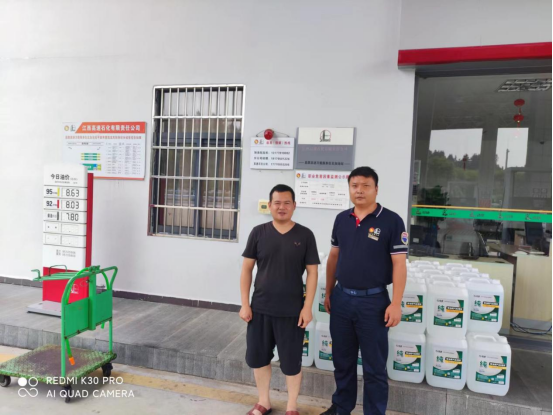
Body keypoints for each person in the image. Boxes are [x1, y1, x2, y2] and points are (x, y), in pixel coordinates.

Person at [320, 167, 408, 415]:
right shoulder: (342, 219)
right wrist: (329, 292)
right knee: (342, 361)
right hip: (342, 299)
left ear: (376, 189)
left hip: (374, 302)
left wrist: (396, 303)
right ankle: (341, 407)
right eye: (354, 186)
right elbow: (333, 257)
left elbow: (399, 265)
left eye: (365, 186)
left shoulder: (391, 221)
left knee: (374, 367)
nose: (359, 190)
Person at [240, 184, 320, 415]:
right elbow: (246, 270)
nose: (281, 207)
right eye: (277, 202)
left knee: (291, 362)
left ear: (294, 205)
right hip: (260, 309)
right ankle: (264, 401)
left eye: (287, 203)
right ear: (270, 205)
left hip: (292, 311)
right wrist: (245, 304)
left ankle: (291, 406)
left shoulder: (305, 235)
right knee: (259, 358)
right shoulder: (258, 232)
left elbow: (312, 273)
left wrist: (307, 307)